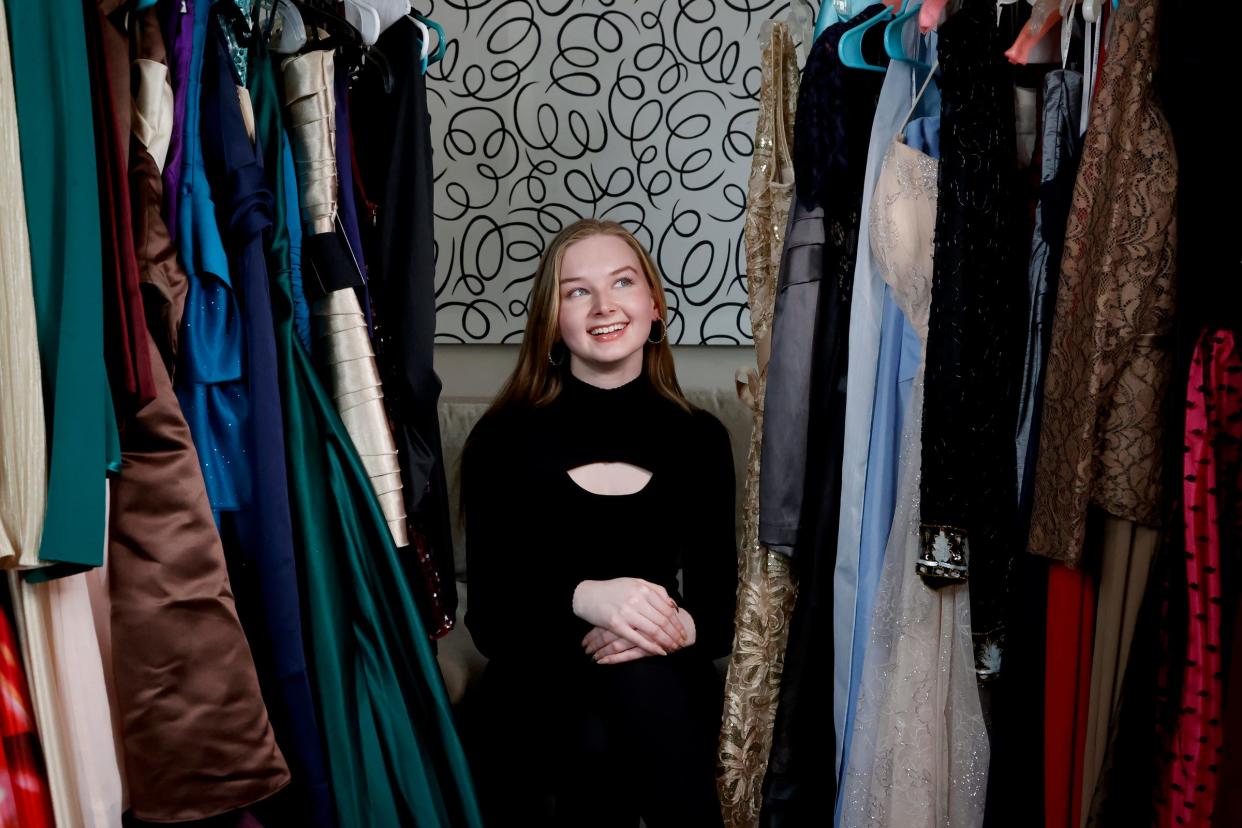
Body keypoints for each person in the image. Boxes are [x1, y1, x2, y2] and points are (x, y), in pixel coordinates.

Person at [462, 218, 738, 826]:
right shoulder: (501, 439)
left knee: (641, 685)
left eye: (622, 282)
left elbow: (720, 613)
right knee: (591, 727)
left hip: (664, 672)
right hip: (538, 676)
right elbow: (490, 621)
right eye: (576, 290)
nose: (604, 305)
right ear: (552, 320)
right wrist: (587, 597)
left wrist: (658, 628)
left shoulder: (700, 439)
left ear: (655, 306)